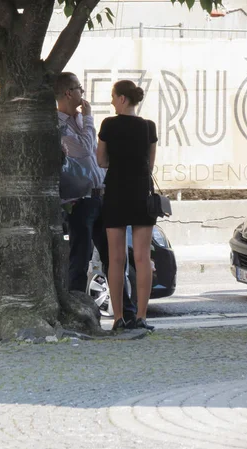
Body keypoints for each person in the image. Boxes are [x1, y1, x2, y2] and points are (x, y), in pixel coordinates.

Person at [56, 72, 137, 325]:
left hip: (102, 196)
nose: (83, 93)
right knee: (79, 259)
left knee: (114, 259)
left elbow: (98, 153)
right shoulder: (58, 124)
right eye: (79, 88)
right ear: (69, 92)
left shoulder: (81, 119)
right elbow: (82, 148)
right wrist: (90, 120)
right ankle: (79, 315)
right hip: (79, 200)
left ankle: (127, 314)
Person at [97, 80, 157, 331]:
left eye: (113, 96)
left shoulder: (108, 125)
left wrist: (116, 161)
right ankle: (142, 317)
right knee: (143, 258)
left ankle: (119, 317)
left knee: (116, 258)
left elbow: (101, 160)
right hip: (141, 192)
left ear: (122, 98)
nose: (111, 101)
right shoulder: (148, 127)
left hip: (116, 192)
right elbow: (150, 165)